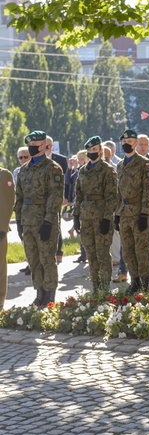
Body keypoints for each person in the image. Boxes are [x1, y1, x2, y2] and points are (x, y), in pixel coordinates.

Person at [14, 131, 64, 307]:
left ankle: (50, 294)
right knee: (33, 259)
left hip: (44, 222)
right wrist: (19, 220)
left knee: (47, 259)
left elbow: (55, 197)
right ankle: (39, 292)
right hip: (27, 221)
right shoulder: (23, 170)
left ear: (44, 146)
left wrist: (49, 221)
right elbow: (19, 196)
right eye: (30, 144)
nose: (31, 147)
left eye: (35, 144)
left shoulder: (53, 168)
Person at [73, 136, 118, 293]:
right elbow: (78, 194)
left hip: (101, 218)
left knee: (102, 254)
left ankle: (105, 289)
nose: (92, 152)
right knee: (91, 254)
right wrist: (75, 216)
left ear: (100, 151)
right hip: (86, 218)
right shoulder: (83, 171)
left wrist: (106, 217)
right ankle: (95, 287)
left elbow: (112, 196)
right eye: (90, 150)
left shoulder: (107, 170)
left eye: (95, 150)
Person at [115, 129, 149, 293]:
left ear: (136, 143)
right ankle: (135, 281)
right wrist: (117, 214)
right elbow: (118, 191)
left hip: (139, 212)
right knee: (128, 249)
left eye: (130, 141)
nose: (127, 144)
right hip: (124, 213)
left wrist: (145, 213)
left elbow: (148, 189)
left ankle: (145, 283)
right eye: (124, 142)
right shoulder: (120, 165)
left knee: (142, 249)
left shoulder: (144, 163)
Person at [46, 136, 68, 264]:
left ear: (52, 146)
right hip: (43, 198)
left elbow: (65, 181)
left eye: (49, 145)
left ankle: (58, 251)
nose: (47, 147)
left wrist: (64, 196)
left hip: (57, 197)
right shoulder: (37, 159)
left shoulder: (60, 159)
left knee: (56, 224)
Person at [13, 146, 32, 275]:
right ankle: (29, 262)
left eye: (26, 156)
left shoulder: (35, 170)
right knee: (23, 237)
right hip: (20, 208)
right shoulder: (16, 172)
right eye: (21, 157)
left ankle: (33, 265)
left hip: (33, 209)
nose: (23, 159)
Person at [0, 166, 15, 308]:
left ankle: (0, 299)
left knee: (0, 265)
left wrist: (3, 226)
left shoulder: (4, 174)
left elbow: (9, 202)